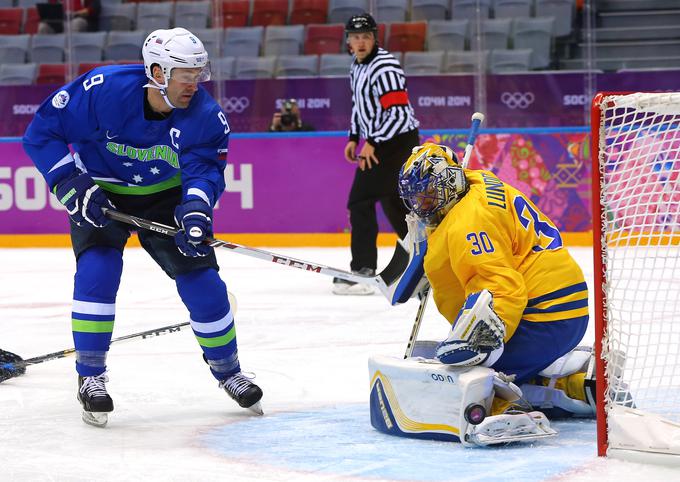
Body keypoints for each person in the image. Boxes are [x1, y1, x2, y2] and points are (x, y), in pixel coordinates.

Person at [22, 27, 263, 427]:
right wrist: (70, 184)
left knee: (203, 283)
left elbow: (204, 172)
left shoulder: (205, 115)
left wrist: (196, 210)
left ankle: (229, 371)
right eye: (186, 74)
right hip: (99, 192)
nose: (195, 83)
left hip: (166, 198)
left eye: (199, 73)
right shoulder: (101, 91)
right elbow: (42, 133)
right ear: (156, 71)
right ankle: (91, 376)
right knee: (97, 273)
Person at [398, 143, 596, 425]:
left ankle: (502, 408)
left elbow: (500, 286)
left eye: (428, 195)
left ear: (450, 182)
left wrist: (482, 343)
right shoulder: (476, 181)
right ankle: (574, 384)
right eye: (416, 197)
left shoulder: (469, 223)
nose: (421, 205)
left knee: (467, 379)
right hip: (561, 306)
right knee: (481, 365)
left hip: (542, 315)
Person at [332, 12, 420, 296]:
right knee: (394, 203)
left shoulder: (386, 67)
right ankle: (423, 261)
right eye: (355, 37)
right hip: (380, 141)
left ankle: (363, 269)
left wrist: (374, 142)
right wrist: (354, 137)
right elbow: (360, 106)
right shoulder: (356, 67)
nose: (360, 42)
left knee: (360, 201)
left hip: (396, 142)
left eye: (365, 37)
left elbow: (397, 112)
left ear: (374, 39)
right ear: (348, 41)